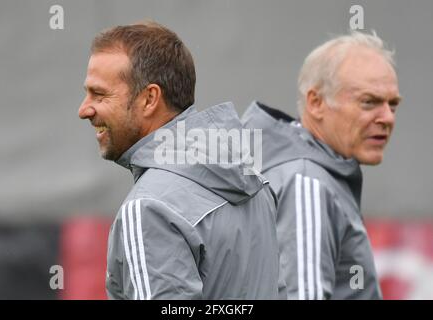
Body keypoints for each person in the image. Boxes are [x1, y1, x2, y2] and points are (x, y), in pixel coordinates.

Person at [78, 21, 280, 299]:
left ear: (150, 99)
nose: (84, 109)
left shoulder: (149, 207)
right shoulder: (256, 182)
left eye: (99, 94)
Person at [242, 31, 401, 299]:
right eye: (369, 102)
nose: (387, 117)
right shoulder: (307, 182)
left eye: (393, 104)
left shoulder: (305, 173)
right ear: (316, 102)